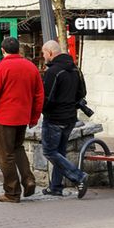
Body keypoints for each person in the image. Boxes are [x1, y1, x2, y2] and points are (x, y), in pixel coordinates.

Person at [0, 37, 43, 203]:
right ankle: (28, 179)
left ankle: (12, 192)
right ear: (18, 49)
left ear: (3, 50)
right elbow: (39, 95)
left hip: (5, 118)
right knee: (18, 148)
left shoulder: (1, 67)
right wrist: (34, 117)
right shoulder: (31, 67)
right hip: (23, 117)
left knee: (5, 156)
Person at [39, 40, 89, 198]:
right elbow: (82, 92)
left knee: (49, 151)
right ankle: (56, 187)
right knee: (59, 152)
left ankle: (78, 176)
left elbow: (47, 97)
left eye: (44, 53)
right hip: (70, 117)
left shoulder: (54, 71)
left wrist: (42, 110)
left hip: (54, 118)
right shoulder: (75, 69)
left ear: (50, 52)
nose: (43, 56)